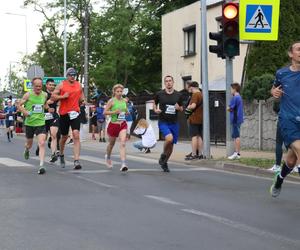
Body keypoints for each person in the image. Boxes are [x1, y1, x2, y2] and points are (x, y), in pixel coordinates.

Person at [270, 41, 300, 197]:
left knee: (290, 161)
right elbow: (274, 88)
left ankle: (279, 179)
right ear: (291, 54)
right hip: (288, 120)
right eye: (299, 49)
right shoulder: (282, 73)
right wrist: (274, 92)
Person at [52, 67, 85, 170]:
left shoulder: (79, 85)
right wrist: (62, 97)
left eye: (74, 75)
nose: (72, 77)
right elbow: (53, 96)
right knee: (64, 137)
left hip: (75, 112)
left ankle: (76, 160)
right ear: (67, 75)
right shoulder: (61, 85)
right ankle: (61, 154)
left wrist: (83, 100)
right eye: (70, 75)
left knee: (76, 135)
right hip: (64, 113)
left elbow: (81, 95)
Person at [17, 77, 48, 174]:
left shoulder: (45, 94)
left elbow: (45, 104)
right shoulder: (28, 95)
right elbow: (18, 105)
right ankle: (26, 149)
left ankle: (41, 165)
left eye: (40, 86)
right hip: (30, 123)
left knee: (42, 143)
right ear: (33, 86)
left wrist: (48, 108)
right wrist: (25, 111)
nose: (39, 88)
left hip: (41, 123)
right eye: (36, 86)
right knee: (29, 144)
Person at [153, 75, 183, 172]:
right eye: (166, 81)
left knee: (171, 146)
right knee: (169, 139)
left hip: (174, 123)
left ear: (173, 82)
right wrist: (155, 109)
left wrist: (179, 108)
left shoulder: (178, 95)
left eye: (170, 81)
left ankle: (165, 162)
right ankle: (163, 154)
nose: (168, 82)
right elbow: (154, 103)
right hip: (163, 121)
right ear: (164, 83)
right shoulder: (159, 94)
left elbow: (182, 108)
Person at [104, 84, 129, 171]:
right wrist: (114, 112)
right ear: (114, 92)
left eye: (121, 91)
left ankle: (123, 164)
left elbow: (126, 110)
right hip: (113, 125)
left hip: (122, 124)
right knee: (111, 144)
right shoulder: (112, 101)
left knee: (122, 143)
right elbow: (105, 112)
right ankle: (108, 157)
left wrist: (127, 112)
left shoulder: (124, 101)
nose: (119, 93)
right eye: (117, 91)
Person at [185, 81, 203, 160]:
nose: (189, 89)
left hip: (194, 119)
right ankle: (200, 154)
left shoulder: (195, 95)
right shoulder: (201, 94)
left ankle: (194, 154)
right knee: (199, 136)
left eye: (189, 88)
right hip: (201, 119)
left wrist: (188, 106)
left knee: (194, 136)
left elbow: (193, 106)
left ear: (191, 87)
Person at [44, 78, 60, 163]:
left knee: (54, 135)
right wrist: (48, 103)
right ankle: (39, 147)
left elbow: (59, 102)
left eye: (53, 85)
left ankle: (53, 154)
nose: (52, 86)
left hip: (53, 116)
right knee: (44, 137)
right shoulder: (43, 94)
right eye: (50, 85)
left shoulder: (55, 94)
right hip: (44, 116)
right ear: (46, 85)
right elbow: (39, 105)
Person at [227, 83, 244, 160]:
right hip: (238, 119)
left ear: (234, 89)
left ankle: (236, 153)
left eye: (231, 89)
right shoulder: (239, 97)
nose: (230, 90)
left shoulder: (235, 98)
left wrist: (228, 108)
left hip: (235, 119)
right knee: (236, 136)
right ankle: (237, 153)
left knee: (236, 136)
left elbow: (230, 108)